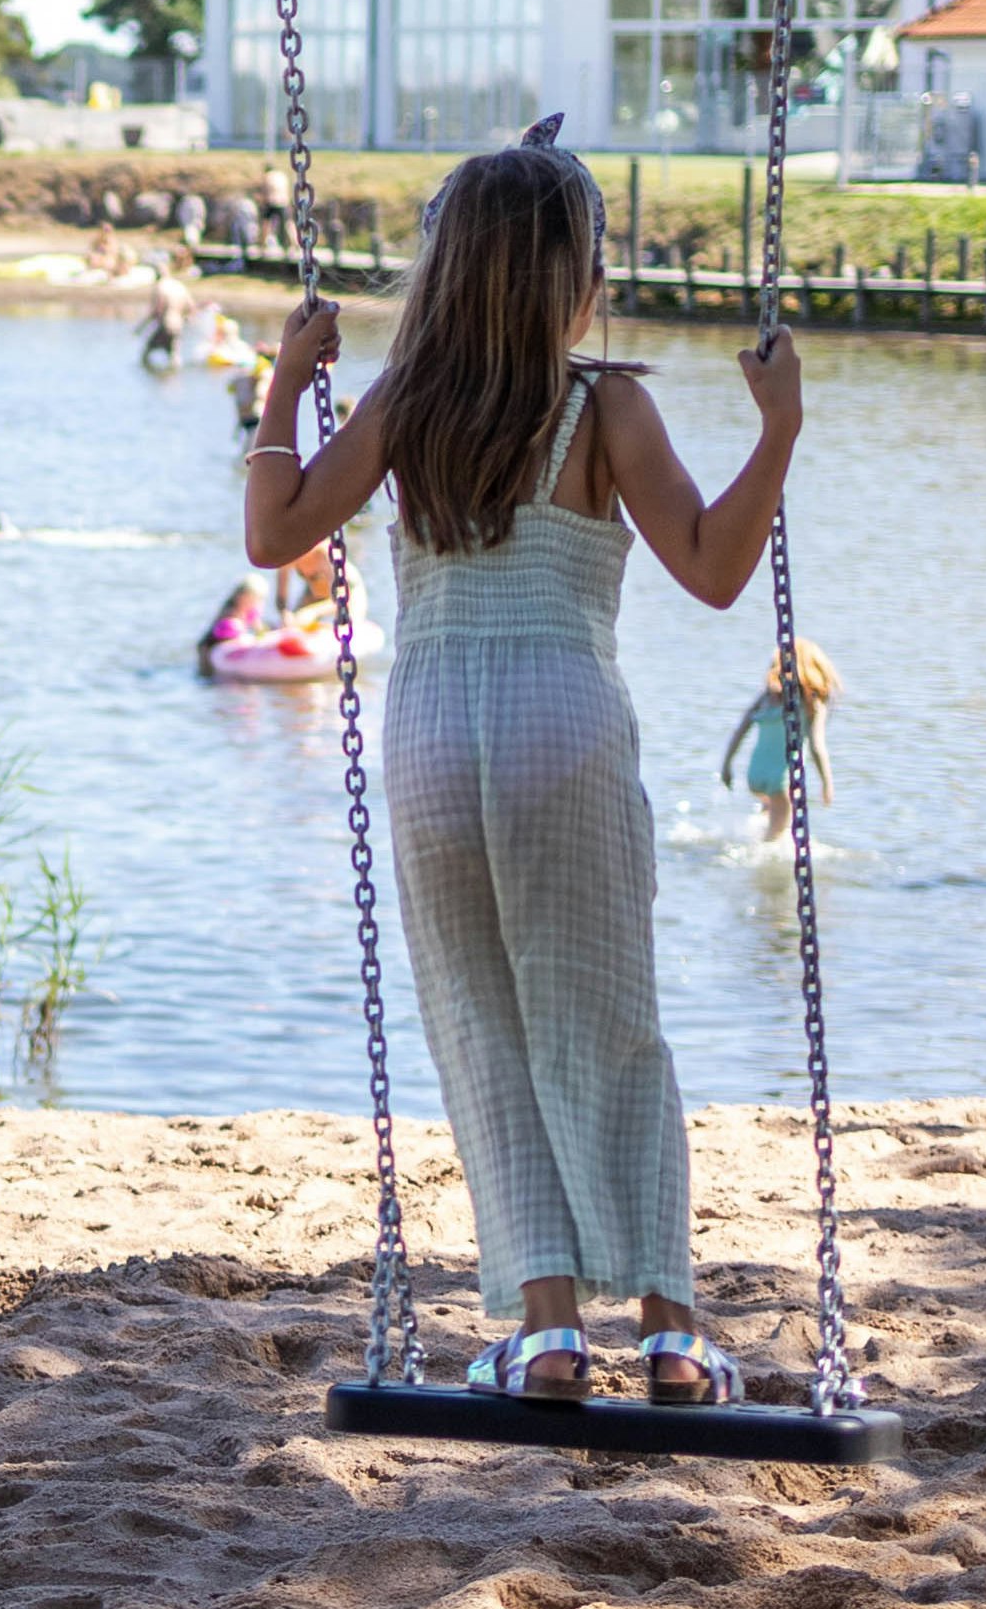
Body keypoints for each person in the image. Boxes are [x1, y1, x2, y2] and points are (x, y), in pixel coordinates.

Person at [244, 136, 803, 1407]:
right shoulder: (604, 406)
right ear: (575, 281)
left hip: (432, 725)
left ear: (445, 273)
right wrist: (778, 430)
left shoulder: (403, 403)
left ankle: (546, 1330)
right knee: (611, 1023)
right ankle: (671, 1332)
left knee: (478, 1023)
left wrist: (285, 382)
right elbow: (715, 567)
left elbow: (273, 530)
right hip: (563, 715)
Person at [719, 636, 839, 842]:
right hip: (780, 781)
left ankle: (762, 819)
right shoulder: (810, 704)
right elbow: (817, 747)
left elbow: (740, 730)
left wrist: (727, 765)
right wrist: (827, 783)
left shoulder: (766, 698)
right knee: (774, 840)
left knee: (770, 814)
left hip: (754, 776)